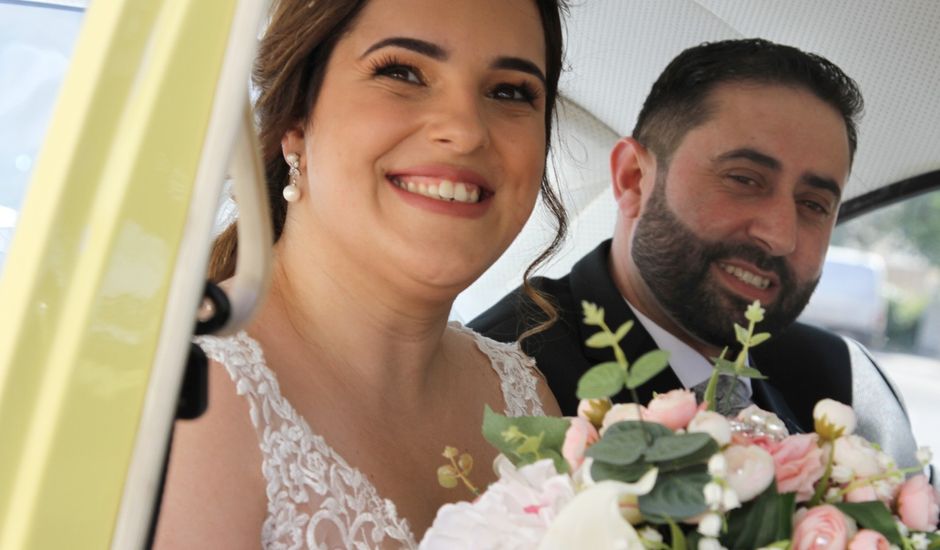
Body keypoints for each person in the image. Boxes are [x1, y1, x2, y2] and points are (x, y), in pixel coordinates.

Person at [153, 0, 567, 547]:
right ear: (295, 122)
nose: (466, 131)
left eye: (510, 91)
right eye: (402, 72)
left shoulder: (524, 397)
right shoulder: (188, 398)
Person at [471, 38, 920, 468]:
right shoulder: (502, 387)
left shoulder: (852, 391)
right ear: (633, 179)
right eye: (744, 179)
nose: (780, 235)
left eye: (813, 205)